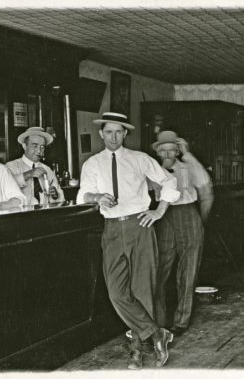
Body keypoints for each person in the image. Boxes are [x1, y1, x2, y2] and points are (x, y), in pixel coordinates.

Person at [76, 112, 180, 369]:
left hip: (139, 226)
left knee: (142, 290)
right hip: (111, 229)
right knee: (116, 292)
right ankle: (156, 334)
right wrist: (97, 197)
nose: (113, 137)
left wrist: (159, 211)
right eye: (108, 132)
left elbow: (170, 180)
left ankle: (137, 350)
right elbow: (82, 195)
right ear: (101, 134)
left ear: (125, 134)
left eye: (118, 132)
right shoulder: (92, 164)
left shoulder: (139, 159)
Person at [151, 130, 214, 336]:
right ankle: (158, 321)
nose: (168, 154)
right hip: (164, 217)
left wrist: (200, 221)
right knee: (159, 269)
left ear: (178, 150)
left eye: (172, 150)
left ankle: (181, 321)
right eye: (164, 150)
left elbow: (207, 190)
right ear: (158, 152)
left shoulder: (189, 166)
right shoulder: (151, 170)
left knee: (189, 271)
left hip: (188, 213)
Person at [6, 127, 64, 205]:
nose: (39, 151)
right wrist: (28, 174)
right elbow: (5, 188)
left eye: (42, 147)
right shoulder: (11, 166)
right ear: (24, 146)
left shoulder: (47, 170)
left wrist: (55, 195)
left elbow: (61, 198)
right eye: (35, 146)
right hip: (20, 215)